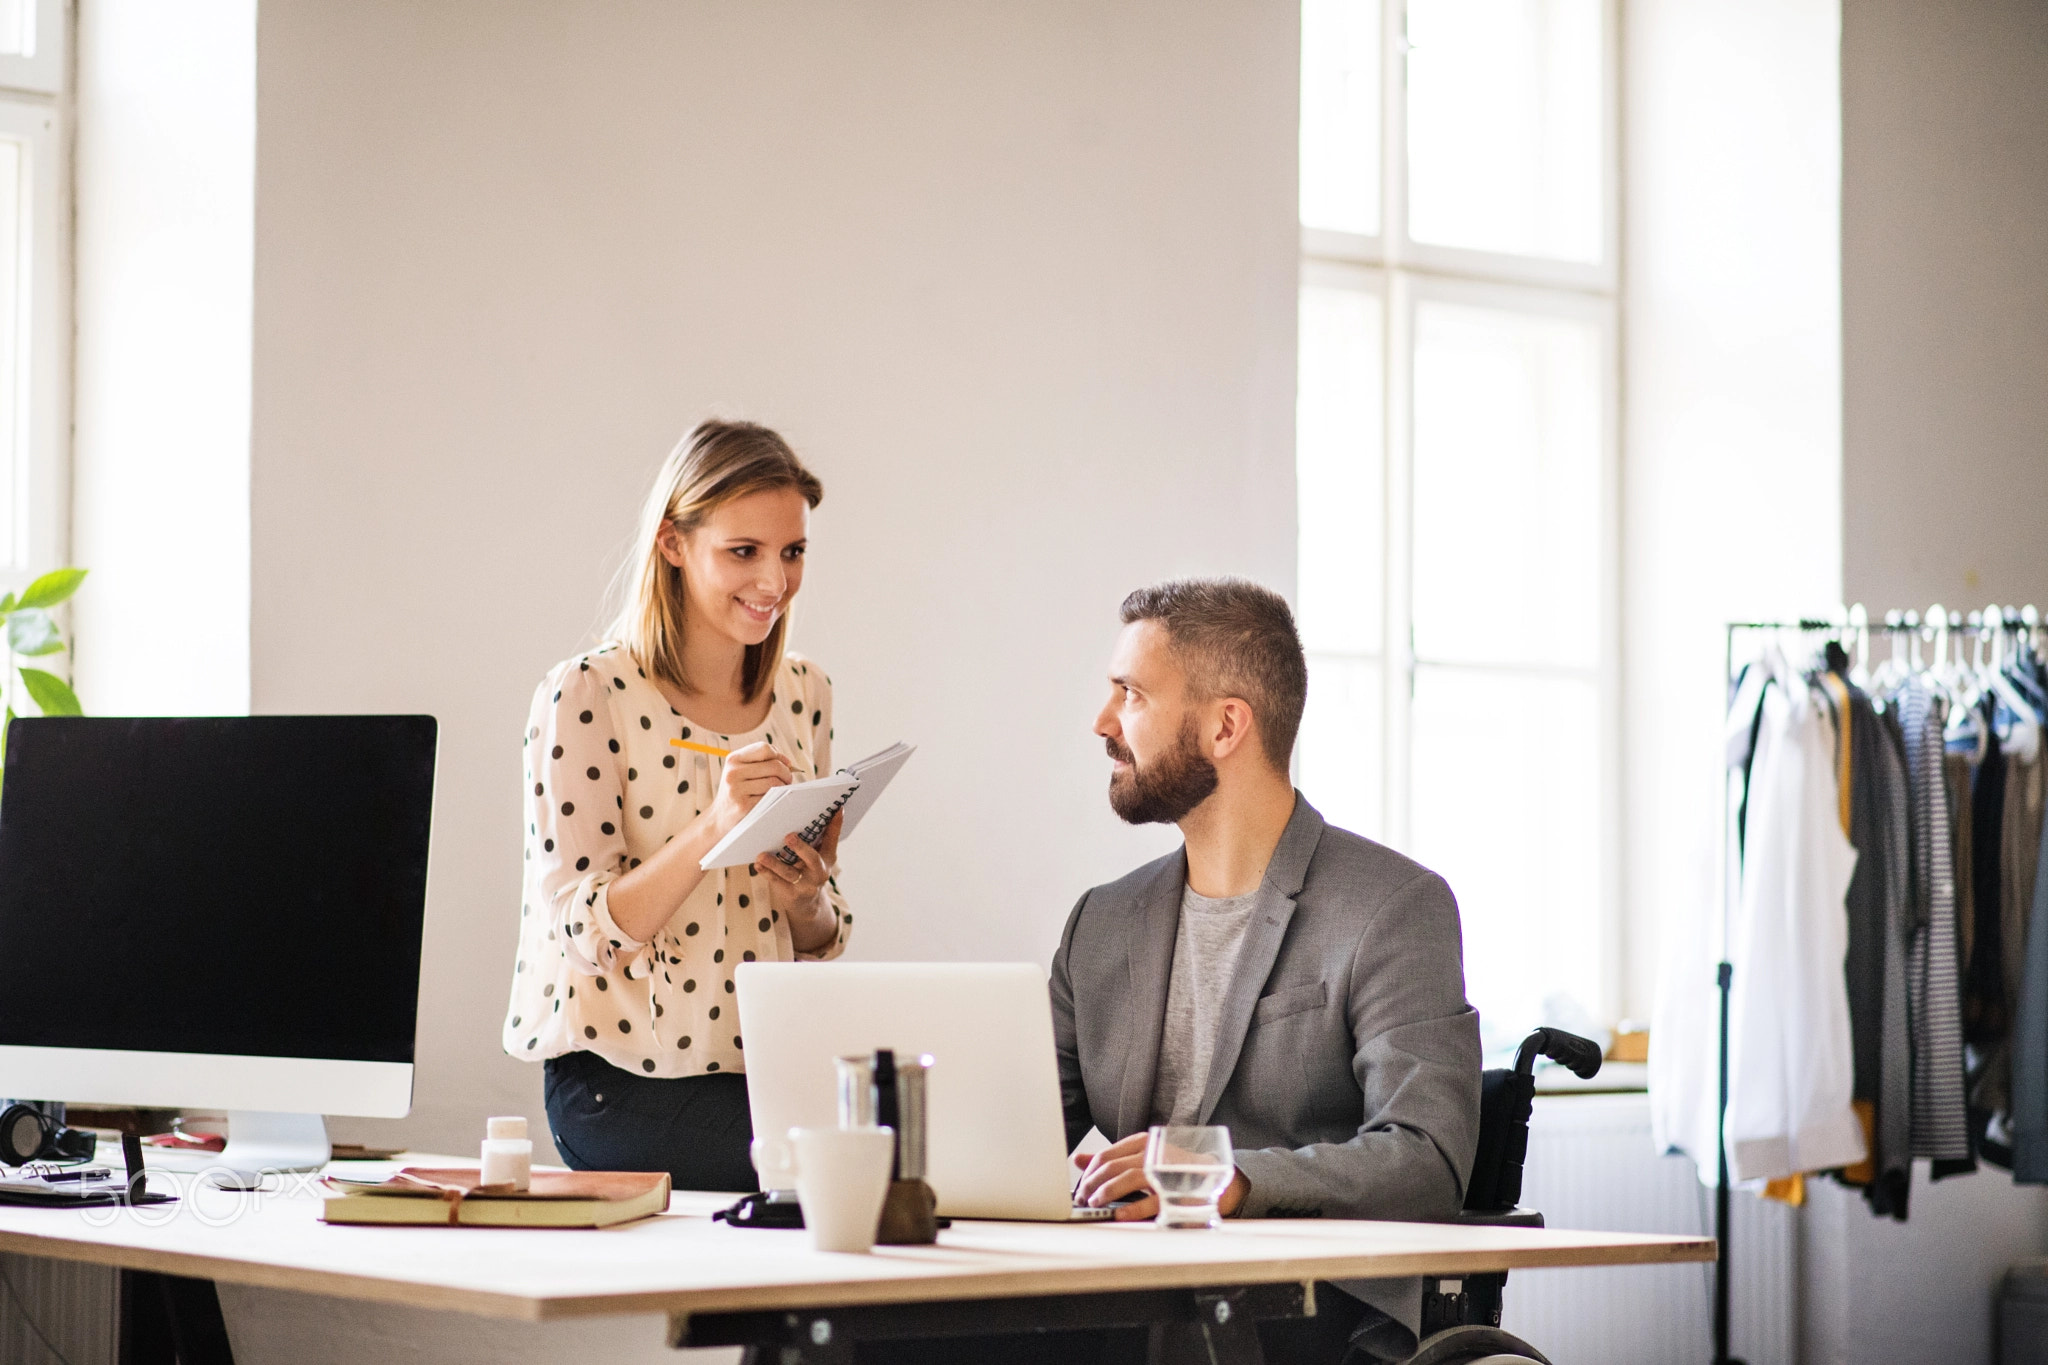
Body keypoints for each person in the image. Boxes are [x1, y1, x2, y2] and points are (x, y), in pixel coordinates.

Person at [1053, 577, 1482, 1363]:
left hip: (1304, 1320)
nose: (1103, 722)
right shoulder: (1100, 920)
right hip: (1123, 1303)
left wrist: (1226, 1173)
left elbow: (1427, 1158)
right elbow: (1020, 1128)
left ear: (1225, 725)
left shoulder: (1393, 906)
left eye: (1132, 694)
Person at [502, 419, 850, 1191]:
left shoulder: (805, 693)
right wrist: (717, 825)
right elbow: (584, 936)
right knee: (840, 1170)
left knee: (896, 1149)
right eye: (744, 551)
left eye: (792, 552)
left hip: (760, 1072)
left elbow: (817, 940)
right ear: (672, 543)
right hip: (616, 1085)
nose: (774, 581)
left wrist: (806, 898)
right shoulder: (586, 692)